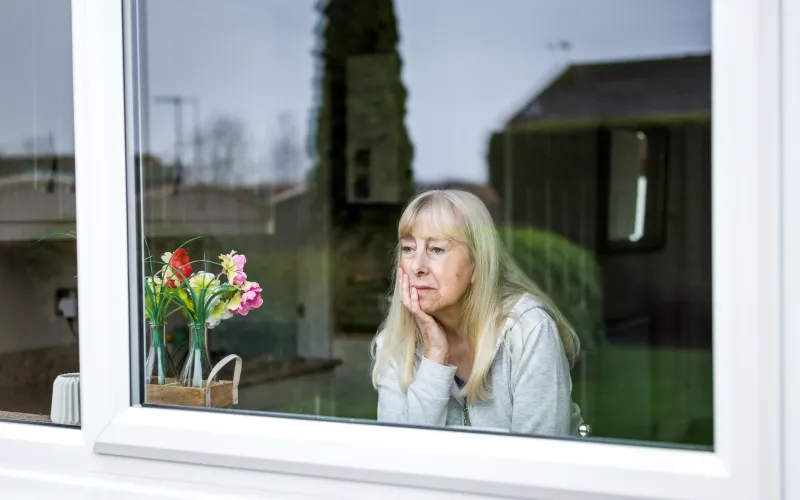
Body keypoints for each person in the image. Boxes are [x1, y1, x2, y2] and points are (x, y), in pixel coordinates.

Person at [371, 189, 583, 436]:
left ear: (476, 263)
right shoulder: (394, 342)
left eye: (436, 249)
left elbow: (539, 459)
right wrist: (434, 357)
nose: (417, 266)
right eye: (408, 248)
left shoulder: (528, 331)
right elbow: (399, 454)